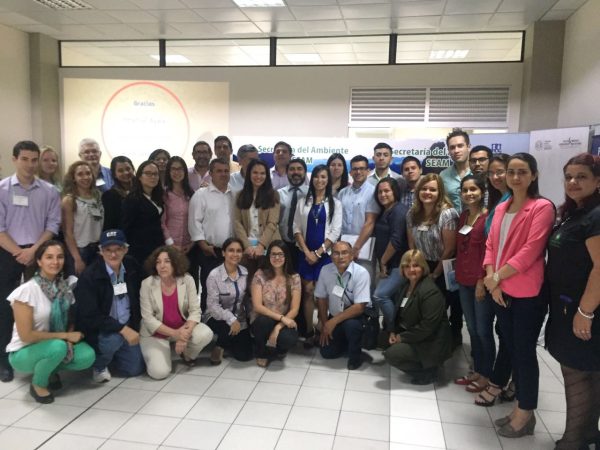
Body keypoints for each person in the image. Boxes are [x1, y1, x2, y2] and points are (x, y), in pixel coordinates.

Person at [481, 153, 554, 438]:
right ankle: (520, 409)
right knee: (511, 348)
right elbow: (490, 245)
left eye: (522, 172)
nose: (515, 177)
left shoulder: (542, 207)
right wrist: (493, 281)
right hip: (500, 291)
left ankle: (526, 411)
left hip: (526, 293)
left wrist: (496, 277)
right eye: (511, 171)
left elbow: (530, 251)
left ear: (534, 175)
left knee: (524, 353)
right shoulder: (502, 207)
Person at [545, 153, 600, 450]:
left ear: (597, 181)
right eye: (568, 177)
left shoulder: (596, 216)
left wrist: (585, 312)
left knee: (576, 374)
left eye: (581, 177)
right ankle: (588, 433)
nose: (573, 182)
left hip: (584, 309)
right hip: (568, 305)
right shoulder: (575, 213)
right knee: (589, 374)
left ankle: (573, 441)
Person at [0, 140, 61, 383]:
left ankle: (46, 359)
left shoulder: (49, 191)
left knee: (44, 307)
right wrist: (19, 252)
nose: (30, 164)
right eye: (24, 159)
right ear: (14, 159)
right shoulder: (2, 189)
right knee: (5, 308)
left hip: (40, 253)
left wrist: (34, 251)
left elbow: (53, 225)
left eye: (34, 160)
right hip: (8, 253)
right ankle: (4, 360)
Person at [6, 240, 94, 403]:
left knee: (87, 356)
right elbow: (26, 336)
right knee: (58, 347)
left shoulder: (65, 287)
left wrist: (68, 338)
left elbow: (70, 319)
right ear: (39, 261)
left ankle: (49, 370)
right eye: (49, 257)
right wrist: (65, 336)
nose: (55, 262)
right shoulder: (26, 291)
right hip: (24, 351)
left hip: (53, 344)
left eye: (60, 257)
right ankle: (38, 384)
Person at [75, 229, 145, 382]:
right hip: (102, 329)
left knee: (134, 369)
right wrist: (122, 329)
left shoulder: (132, 266)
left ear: (125, 249)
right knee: (113, 339)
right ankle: (99, 365)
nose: (113, 255)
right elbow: (90, 316)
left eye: (118, 249)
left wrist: (133, 326)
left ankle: (112, 356)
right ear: (100, 251)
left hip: (127, 323)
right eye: (108, 250)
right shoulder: (90, 276)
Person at [139, 246, 213, 379]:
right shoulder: (147, 284)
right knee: (159, 373)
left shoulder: (187, 279)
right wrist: (176, 335)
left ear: (175, 263)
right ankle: (160, 352)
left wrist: (183, 336)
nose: (162, 265)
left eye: (167, 261)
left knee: (205, 334)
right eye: (158, 262)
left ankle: (186, 354)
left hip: (181, 328)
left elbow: (195, 311)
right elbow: (148, 320)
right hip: (155, 334)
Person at [406, 173, 461, 345]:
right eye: (424, 188)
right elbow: (412, 245)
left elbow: (450, 249)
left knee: (445, 305)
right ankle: (428, 340)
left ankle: (452, 338)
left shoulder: (448, 214)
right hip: (422, 265)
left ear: (440, 192)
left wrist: (435, 274)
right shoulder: (412, 213)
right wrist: (416, 268)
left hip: (444, 266)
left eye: (432, 189)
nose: (427, 192)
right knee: (426, 307)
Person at [383, 249, 452, 385]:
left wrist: (401, 337)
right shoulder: (406, 285)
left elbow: (428, 327)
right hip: (414, 331)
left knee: (391, 355)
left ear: (423, 267)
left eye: (415, 265)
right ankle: (424, 364)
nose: (411, 270)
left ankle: (428, 372)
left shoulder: (430, 291)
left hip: (430, 341)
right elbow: (398, 312)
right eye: (406, 266)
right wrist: (392, 331)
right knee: (382, 339)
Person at [454, 175, 494, 393]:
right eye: (465, 190)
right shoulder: (464, 216)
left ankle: (487, 375)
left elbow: (489, 252)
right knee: (471, 328)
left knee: (483, 330)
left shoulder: (488, 218)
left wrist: (481, 281)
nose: (469, 193)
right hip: (463, 281)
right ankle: (477, 370)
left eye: (473, 189)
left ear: (482, 192)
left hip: (480, 282)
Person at [293, 165, 342, 345]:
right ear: (311, 178)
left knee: (322, 294)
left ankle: (323, 328)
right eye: (316, 176)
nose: (319, 180)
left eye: (323, 177)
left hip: (325, 255)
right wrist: (307, 252)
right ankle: (308, 330)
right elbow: (296, 228)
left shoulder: (335, 203)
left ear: (328, 180)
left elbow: (335, 231)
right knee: (307, 291)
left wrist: (318, 253)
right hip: (305, 253)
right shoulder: (302, 201)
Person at [315, 241, 370, 370]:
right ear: (331, 256)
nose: (340, 257)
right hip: (334, 315)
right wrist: (325, 324)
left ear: (351, 255)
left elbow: (360, 307)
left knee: (351, 326)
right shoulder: (325, 270)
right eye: (336, 253)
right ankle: (345, 342)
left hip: (355, 317)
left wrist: (332, 322)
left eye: (344, 253)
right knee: (327, 353)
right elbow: (321, 298)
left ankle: (355, 356)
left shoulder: (361, 273)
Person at [188, 158, 235, 311]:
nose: (223, 174)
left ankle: (228, 319)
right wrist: (203, 245)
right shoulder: (201, 195)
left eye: (226, 171)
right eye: (219, 171)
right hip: (210, 251)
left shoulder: (234, 194)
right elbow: (194, 222)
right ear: (211, 173)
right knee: (210, 290)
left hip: (232, 253)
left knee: (229, 289)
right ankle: (208, 320)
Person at [250, 241, 301, 367]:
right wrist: (281, 318)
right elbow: (257, 306)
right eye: (273, 254)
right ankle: (261, 350)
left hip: (284, 320)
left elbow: (294, 309)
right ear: (268, 256)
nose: (277, 258)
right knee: (264, 322)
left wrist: (278, 327)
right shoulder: (260, 274)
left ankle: (276, 348)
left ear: (286, 256)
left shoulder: (294, 277)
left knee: (289, 339)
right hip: (263, 318)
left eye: (280, 254)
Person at [204, 238, 253, 364]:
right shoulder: (214, 275)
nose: (235, 254)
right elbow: (213, 306)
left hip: (239, 318)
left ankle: (230, 341)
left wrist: (251, 316)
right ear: (223, 253)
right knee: (226, 327)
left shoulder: (245, 273)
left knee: (245, 356)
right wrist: (231, 319)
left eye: (238, 251)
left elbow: (247, 299)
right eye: (231, 250)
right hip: (216, 317)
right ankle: (220, 346)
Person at [372, 178, 409, 335]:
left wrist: (383, 262)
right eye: (380, 192)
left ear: (395, 192)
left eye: (387, 191)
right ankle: (390, 330)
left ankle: (395, 328)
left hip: (398, 264)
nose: (383, 194)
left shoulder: (399, 211)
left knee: (380, 295)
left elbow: (396, 240)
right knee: (392, 297)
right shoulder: (385, 210)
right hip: (388, 263)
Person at [233, 158, 281, 278]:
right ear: (249, 174)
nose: (258, 176)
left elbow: (272, 223)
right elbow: (237, 222)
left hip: (269, 245)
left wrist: (261, 246)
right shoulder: (240, 195)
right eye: (255, 172)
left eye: (262, 173)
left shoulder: (273, 195)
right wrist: (247, 246)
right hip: (247, 247)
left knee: (268, 281)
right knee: (247, 282)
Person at [338, 155, 380, 285]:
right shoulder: (342, 193)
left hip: (363, 247)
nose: (358, 172)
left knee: (364, 283)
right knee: (343, 284)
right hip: (343, 247)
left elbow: (370, 222)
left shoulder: (373, 192)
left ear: (368, 171)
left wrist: (356, 248)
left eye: (362, 168)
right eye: (355, 169)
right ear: (350, 172)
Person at [61, 161, 104, 275]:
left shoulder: (98, 196)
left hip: (98, 248)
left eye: (88, 173)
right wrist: (77, 258)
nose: (85, 177)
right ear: (73, 178)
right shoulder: (69, 200)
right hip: (80, 250)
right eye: (80, 174)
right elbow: (68, 233)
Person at [121, 160, 164, 267]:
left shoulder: (157, 197)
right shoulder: (132, 199)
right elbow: (125, 227)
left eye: (155, 174)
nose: (153, 177)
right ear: (139, 176)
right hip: (139, 251)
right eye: (148, 173)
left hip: (157, 248)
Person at [162, 156, 194, 255]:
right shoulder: (164, 194)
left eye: (180, 169)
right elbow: (162, 223)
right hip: (170, 245)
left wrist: (192, 243)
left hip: (189, 246)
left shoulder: (191, 193)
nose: (177, 172)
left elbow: (196, 220)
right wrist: (170, 243)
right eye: (173, 169)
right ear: (168, 172)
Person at [277, 158, 309, 260]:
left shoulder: (312, 194)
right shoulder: (278, 194)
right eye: (292, 169)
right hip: (283, 244)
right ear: (287, 172)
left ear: (305, 172)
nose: (296, 172)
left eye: (299, 169)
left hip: (306, 245)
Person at [440, 128, 471, 213]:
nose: (456, 151)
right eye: (452, 147)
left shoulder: (478, 172)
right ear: (448, 151)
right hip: (452, 220)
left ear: (468, 147)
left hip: (478, 220)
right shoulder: (443, 175)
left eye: (460, 146)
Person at [102, 156, 135, 231]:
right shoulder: (109, 196)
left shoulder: (143, 189)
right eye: (120, 171)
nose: (126, 173)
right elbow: (110, 223)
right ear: (114, 174)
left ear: (133, 169)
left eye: (128, 169)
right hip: (123, 235)